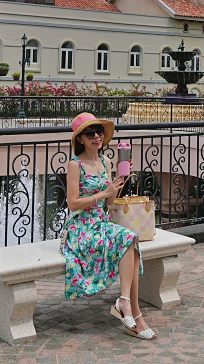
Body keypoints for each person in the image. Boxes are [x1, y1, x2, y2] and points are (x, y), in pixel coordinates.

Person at [62, 112, 156, 340]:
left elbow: (111, 203)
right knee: (128, 240)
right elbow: (72, 204)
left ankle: (126, 305)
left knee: (130, 239)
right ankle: (135, 314)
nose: (97, 137)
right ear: (80, 139)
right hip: (80, 227)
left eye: (100, 132)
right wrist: (101, 194)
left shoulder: (106, 162)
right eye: (90, 133)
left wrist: (117, 185)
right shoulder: (75, 165)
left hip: (102, 223)